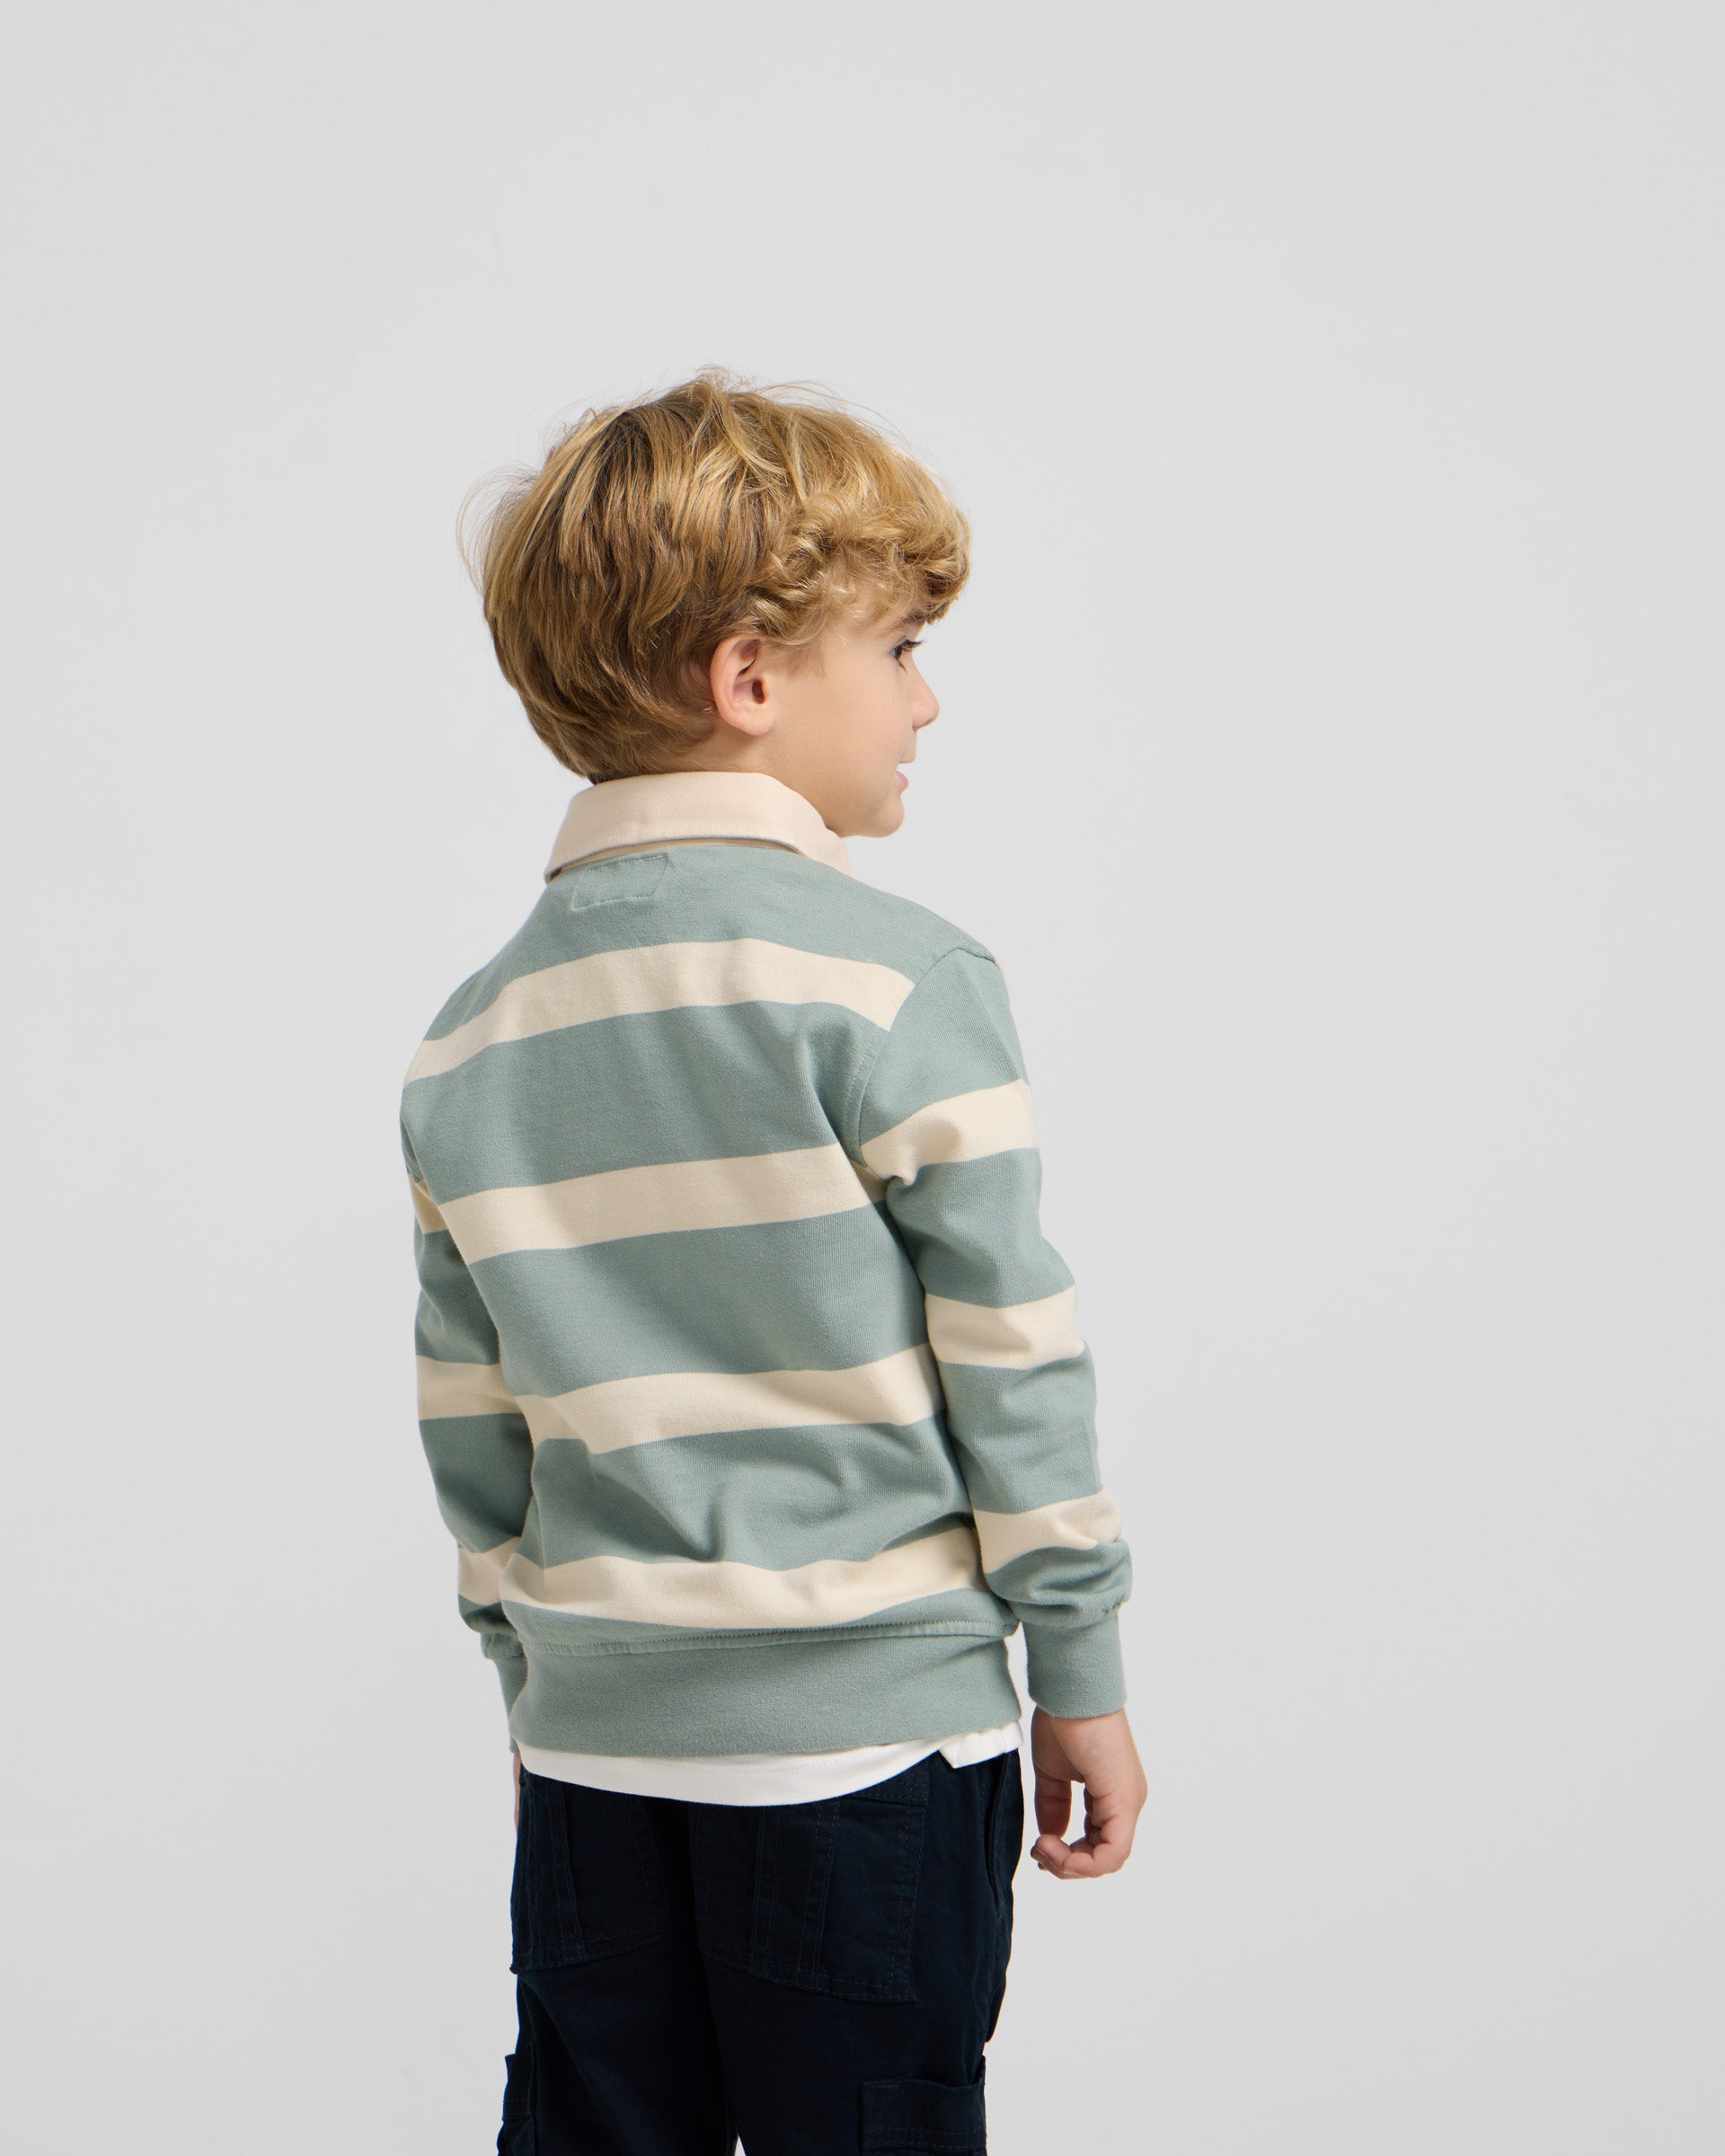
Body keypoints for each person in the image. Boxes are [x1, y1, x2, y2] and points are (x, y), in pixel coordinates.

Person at [400, 372, 1146, 2155]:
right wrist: (1082, 1667)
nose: (925, 698)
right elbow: (1013, 1363)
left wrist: (540, 1680)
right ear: (749, 678)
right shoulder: (899, 983)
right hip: (867, 1744)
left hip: (592, 1751)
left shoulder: (473, 1036)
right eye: (898, 647)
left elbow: (473, 1422)